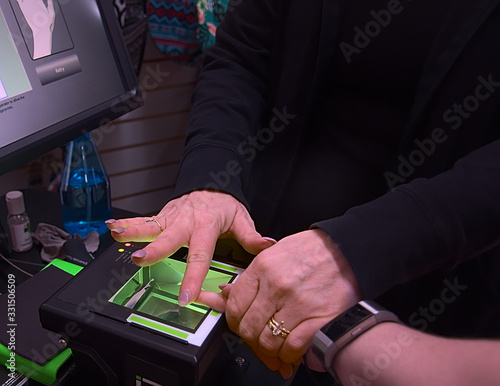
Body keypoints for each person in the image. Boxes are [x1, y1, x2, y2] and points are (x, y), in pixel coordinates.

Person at [107, 0, 500, 382]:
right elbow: (240, 56)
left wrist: (353, 248)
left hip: (437, 291)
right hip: (265, 256)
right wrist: (212, 180)